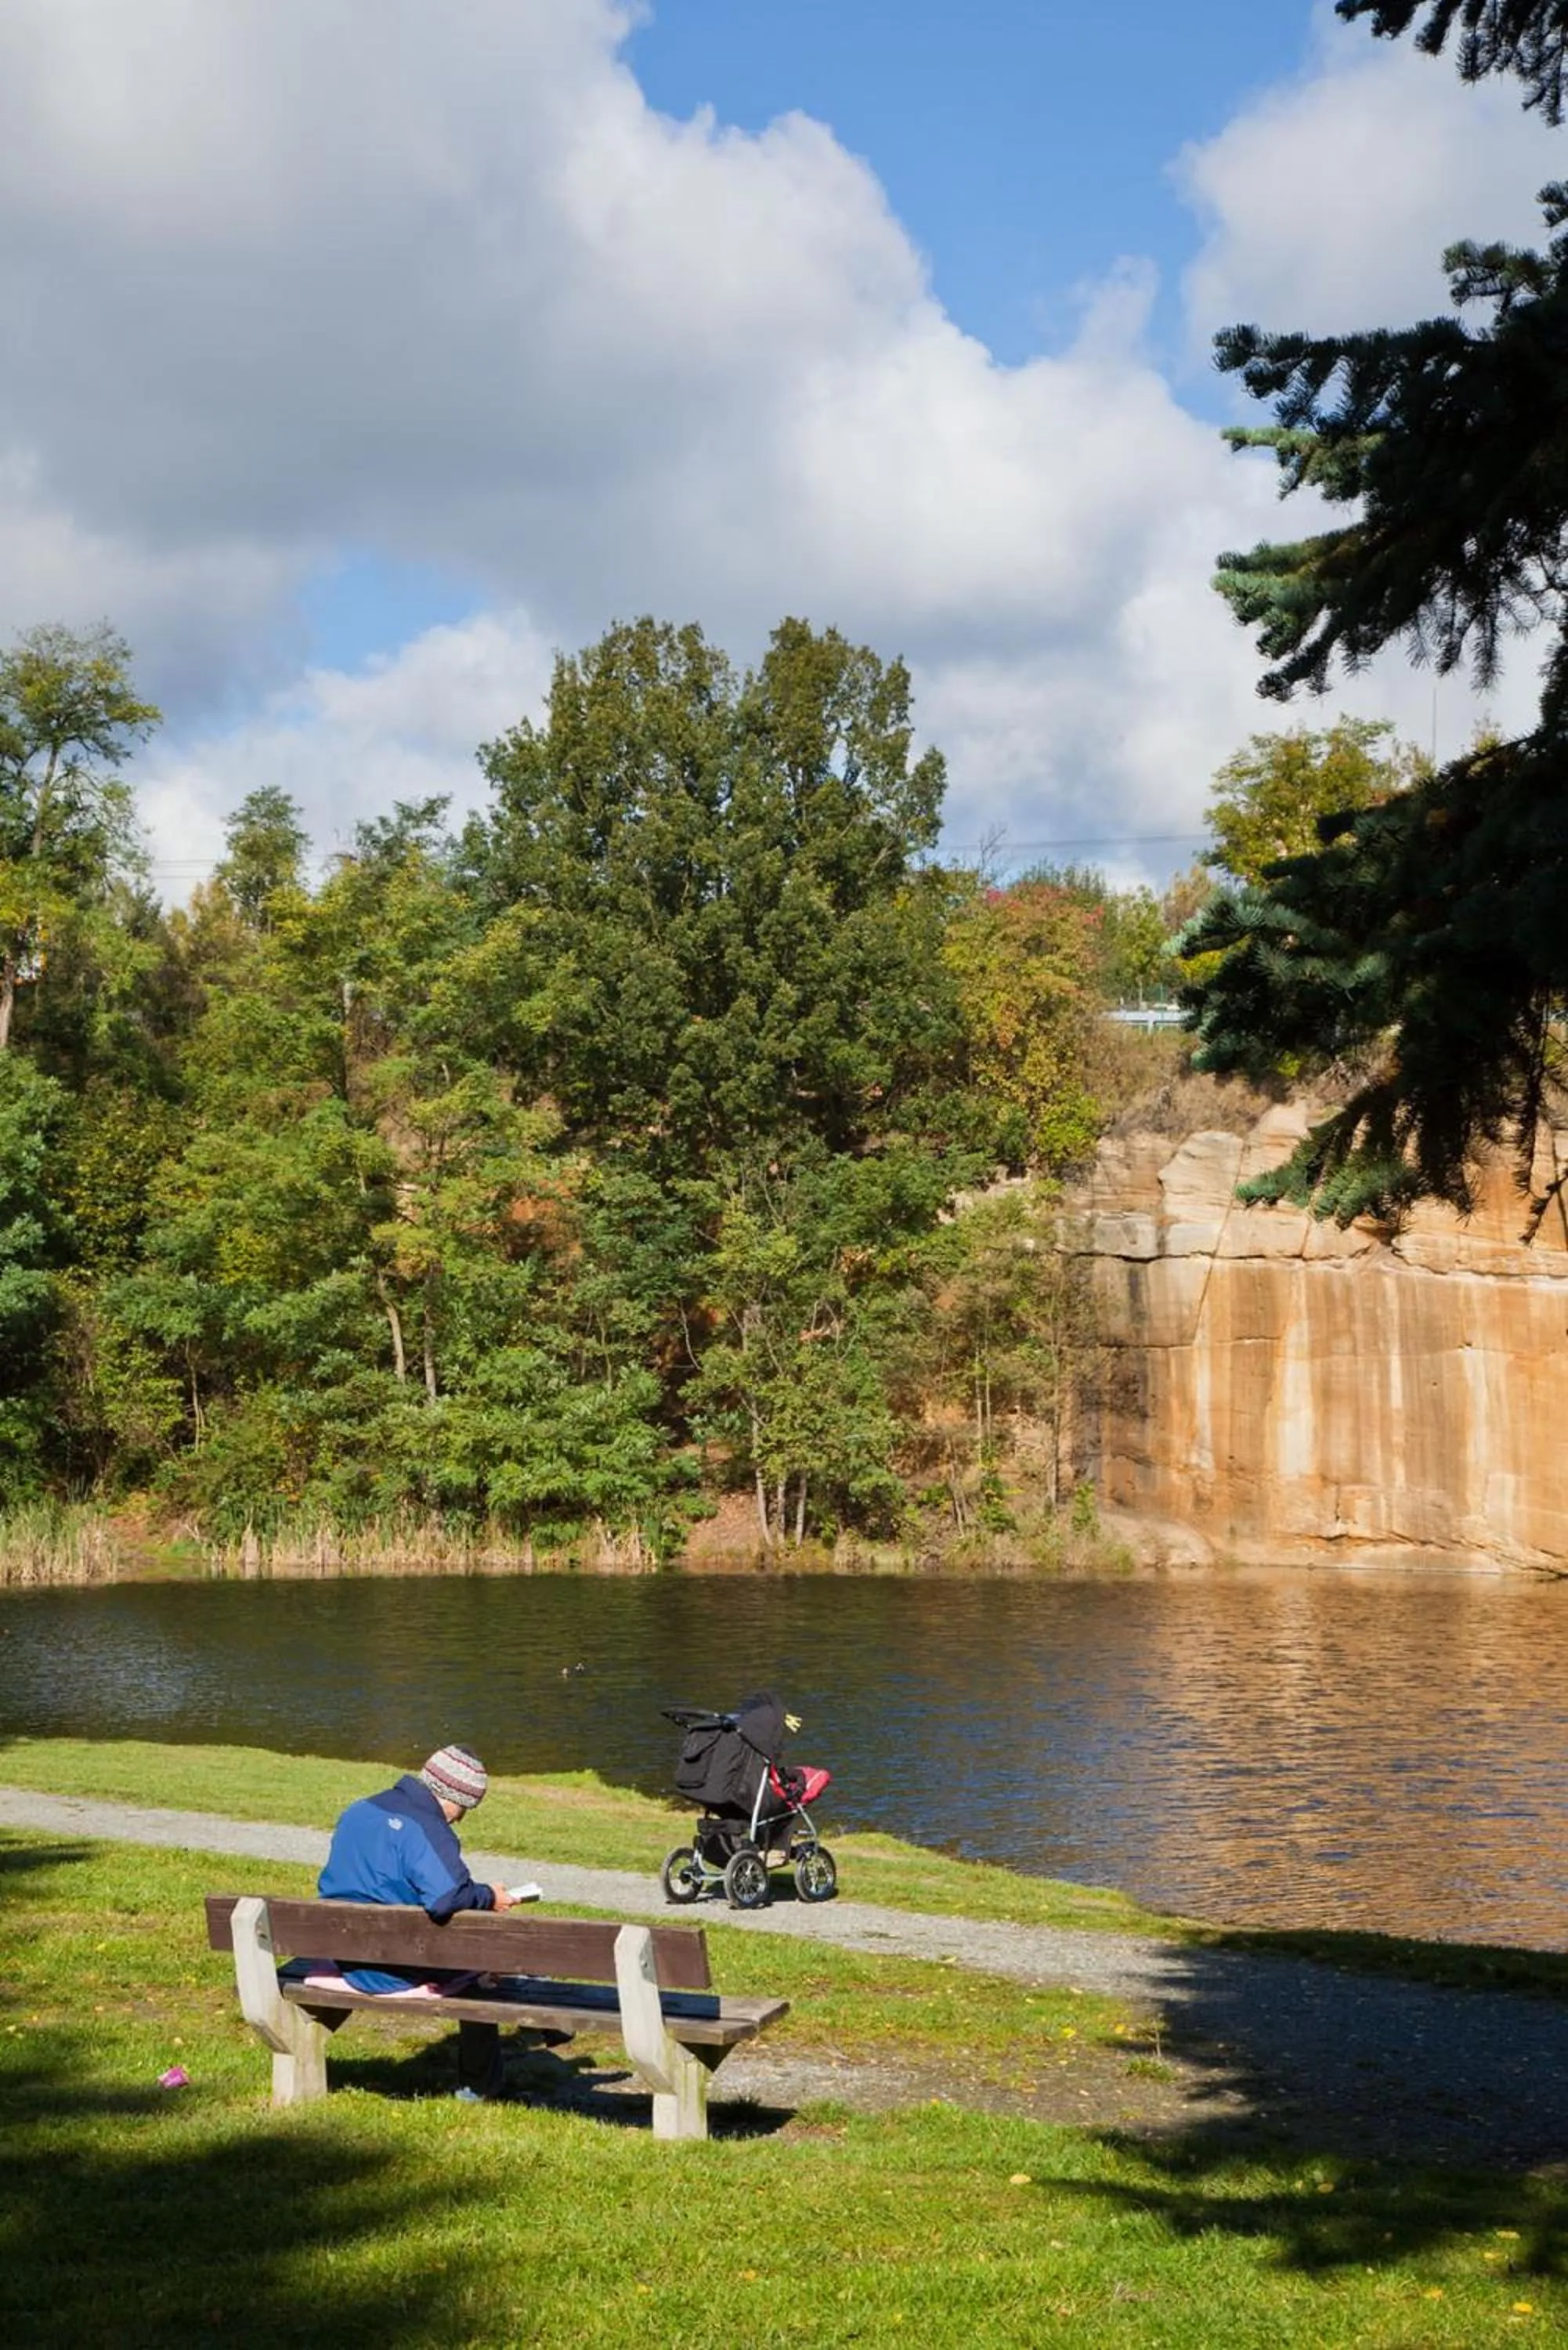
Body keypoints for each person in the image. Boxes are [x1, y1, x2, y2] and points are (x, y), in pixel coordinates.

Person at [314, 1743, 520, 2101]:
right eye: (465, 1807)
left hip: (347, 1958)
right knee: (484, 1971)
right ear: (452, 1796)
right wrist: (490, 1896)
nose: (460, 1818)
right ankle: (479, 2089)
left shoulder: (358, 1810)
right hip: (398, 1968)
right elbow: (446, 1900)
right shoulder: (429, 1828)